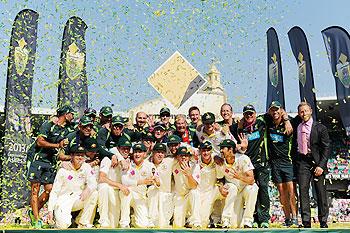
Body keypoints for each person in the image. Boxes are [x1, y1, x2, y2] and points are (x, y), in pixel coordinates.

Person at [27, 105, 75, 228]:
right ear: (65, 114)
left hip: (50, 161)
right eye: (71, 114)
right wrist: (57, 145)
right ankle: (37, 220)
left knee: (50, 190)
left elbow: (78, 131)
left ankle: (33, 212)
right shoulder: (48, 124)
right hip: (37, 159)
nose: (73, 117)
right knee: (35, 189)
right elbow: (39, 141)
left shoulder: (67, 129)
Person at [295, 102, 330, 228]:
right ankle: (306, 221)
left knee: (320, 192)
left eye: (305, 111)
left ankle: (323, 221)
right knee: (303, 190)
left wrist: (321, 165)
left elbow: (326, 148)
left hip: (317, 162)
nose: (304, 114)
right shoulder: (297, 126)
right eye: (301, 112)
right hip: (303, 161)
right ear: (299, 113)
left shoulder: (320, 128)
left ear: (310, 111)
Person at [47, 144, 98, 229]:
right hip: (63, 201)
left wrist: (87, 190)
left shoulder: (86, 167)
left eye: (82, 155)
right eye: (77, 155)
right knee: (63, 226)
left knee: (94, 193)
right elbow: (55, 192)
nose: (80, 158)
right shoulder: (63, 170)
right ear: (71, 156)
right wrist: (50, 211)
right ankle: (60, 221)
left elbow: (93, 183)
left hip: (77, 198)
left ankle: (82, 222)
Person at [267, 101, 297, 227]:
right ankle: (287, 218)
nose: (275, 112)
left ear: (281, 111)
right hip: (274, 162)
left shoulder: (288, 123)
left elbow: (291, 128)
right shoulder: (268, 123)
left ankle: (295, 217)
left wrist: (286, 119)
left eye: (277, 110)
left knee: (290, 189)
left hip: (287, 160)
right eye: (272, 110)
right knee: (281, 191)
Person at [216, 139, 258, 228]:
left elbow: (251, 179)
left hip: (244, 189)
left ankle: (248, 220)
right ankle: (225, 220)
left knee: (253, 188)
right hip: (232, 191)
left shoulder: (243, 159)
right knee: (234, 225)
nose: (221, 151)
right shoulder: (220, 162)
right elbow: (219, 179)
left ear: (230, 150)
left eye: (223, 148)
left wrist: (239, 177)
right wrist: (221, 188)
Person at [119, 143, 159, 228]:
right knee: (125, 191)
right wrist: (142, 182)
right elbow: (124, 181)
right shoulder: (128, 164)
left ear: (144, 154)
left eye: (140, 152)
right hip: (130, 192)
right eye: (135, 152)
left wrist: (157, 181)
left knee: (143, 225)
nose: (137, 154)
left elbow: (158, 180)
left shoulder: (150, 166)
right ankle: (124, 222)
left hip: (141, 196)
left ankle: (133, 219)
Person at [98, 137, 132, 228]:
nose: (125, 150)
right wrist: (119, 185)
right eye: (123, 148)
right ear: (118, 149)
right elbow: (101, 178)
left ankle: (125, 223)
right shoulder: (108, 159)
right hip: (109, 190)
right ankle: (103, 220)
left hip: (119, 192)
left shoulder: (129, 161)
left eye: (127, 148)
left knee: (114, 224)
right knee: (103, 186)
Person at [198, 141, 227, 228]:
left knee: (229, 190)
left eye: (208, 150)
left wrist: (221, 187)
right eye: (204, 150)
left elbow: (220, 177)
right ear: (200, 151)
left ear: (211, 151)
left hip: (212, 190)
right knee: (202, 222)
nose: (206, 153)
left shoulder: (216, 161)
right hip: (199, 192)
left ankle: (224, 220)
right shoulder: (195, 160)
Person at [172, 146, 201, 228]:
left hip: (190, 194)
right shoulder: (174, 166)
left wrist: (189, 175)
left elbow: (194, 185)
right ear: (177, 157)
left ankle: (195, 222)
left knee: (195, 192)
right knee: (178, 224)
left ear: (189, 157)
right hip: (179, 196)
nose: (184, 157)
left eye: (186, 155)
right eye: (181, 155)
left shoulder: (195, 166)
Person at [148, 143, 175, 227]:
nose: (160, 154)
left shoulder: (169, 162)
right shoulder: (147, 163)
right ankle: (151, 220)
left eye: (162, 153)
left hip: (165, 195)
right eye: (158, 152)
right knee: (153, 189)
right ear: (153, 152)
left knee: (163, 224)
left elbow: (184, 156)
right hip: (151, 196)